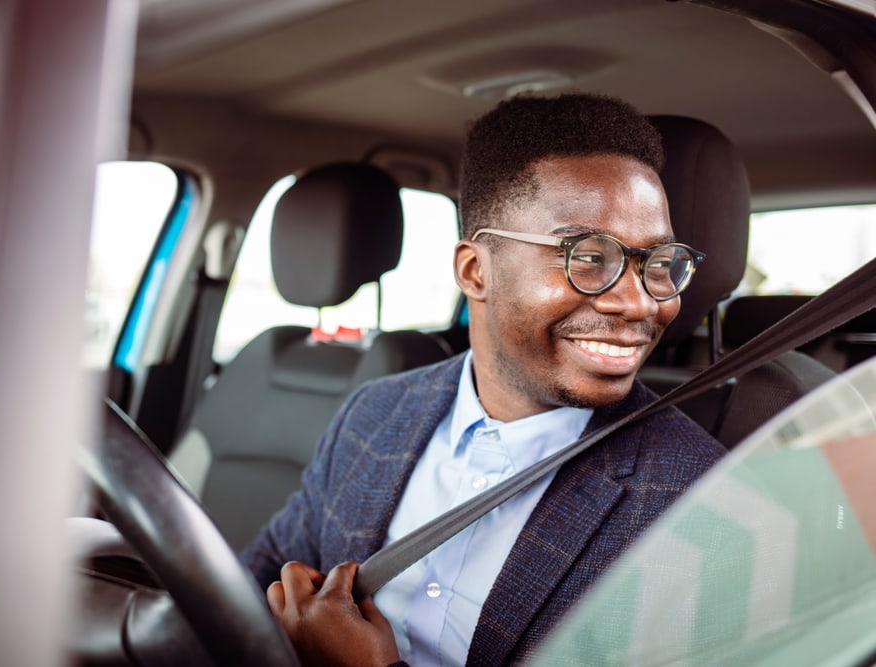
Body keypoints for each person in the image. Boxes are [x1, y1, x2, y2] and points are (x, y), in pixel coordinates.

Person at [240, 93, 727, 666]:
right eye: (589, 257)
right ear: (476, 271)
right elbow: (263, 577)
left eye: (658, 263)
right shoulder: (374, 413)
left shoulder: (703, 504)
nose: (640, 303)